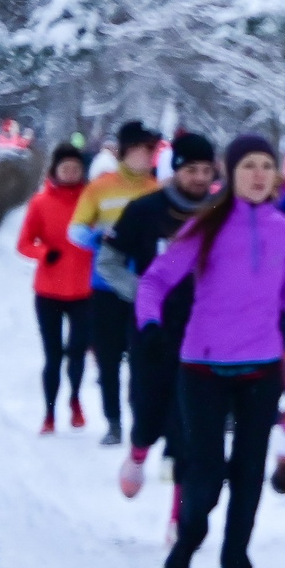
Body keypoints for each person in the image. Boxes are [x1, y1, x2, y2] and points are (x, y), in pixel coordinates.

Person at [136, 133, 285, 568]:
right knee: (206, 472)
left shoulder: (284, 229)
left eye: (266, 166)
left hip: (261, 367)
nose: (258, 175)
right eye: (248, 166)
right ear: (231, 174)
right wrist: (150, 326)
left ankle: (236, 562)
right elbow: (155, 281)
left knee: (248, 471)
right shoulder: (206, 226)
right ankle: (189, 538)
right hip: (203, 367)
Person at [110, 138, 223, 497]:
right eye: (191, 170)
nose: (200, 178)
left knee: (188, 420)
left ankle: (179, 513)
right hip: (153, 328)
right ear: (175, 170)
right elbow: (109, 262)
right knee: (148, 406)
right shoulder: (145, 210)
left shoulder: (220, 213)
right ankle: (139, 449)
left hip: (202, 329)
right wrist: (144, 294)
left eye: (206, 171)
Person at [70, 119, 162, 443]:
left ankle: (140, 422)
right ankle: (113, 422)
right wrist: (99, 236)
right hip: (105, 286)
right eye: (140, 149)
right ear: (124, 151)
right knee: (108, 358)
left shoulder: (157, 189)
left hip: (144, 287)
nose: (146, 156)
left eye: (149, 150)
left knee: (141, 359)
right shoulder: (100, 187)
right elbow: (75, 230)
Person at [16, 140, 95, 434]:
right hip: (48, 292)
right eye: (66, 168)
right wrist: (44, 252)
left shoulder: (91, 201)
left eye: (76, 168)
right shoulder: (40, 202)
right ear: (55, 170)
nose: (71, 172)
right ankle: (49, 413)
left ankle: (75, 400)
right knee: (52, 355)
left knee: (77, 352)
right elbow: (24, 243)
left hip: (84, 292)